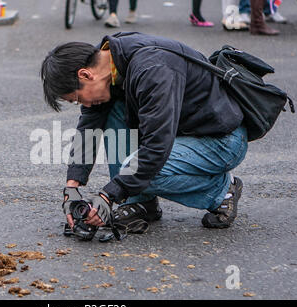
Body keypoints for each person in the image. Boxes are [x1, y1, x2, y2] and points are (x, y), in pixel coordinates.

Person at [41, 32, 248, 233]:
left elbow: (156, 149)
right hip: (180, 132)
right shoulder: (108, 60)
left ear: (85, 74)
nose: (82, 104)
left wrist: (109, 195)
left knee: (143, 170)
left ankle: (222, 191)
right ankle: (139, 202)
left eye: (77, 98)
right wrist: (72, 186)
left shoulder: (153, 69)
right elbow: (89, 125)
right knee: (110, 109)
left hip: (221, 140)